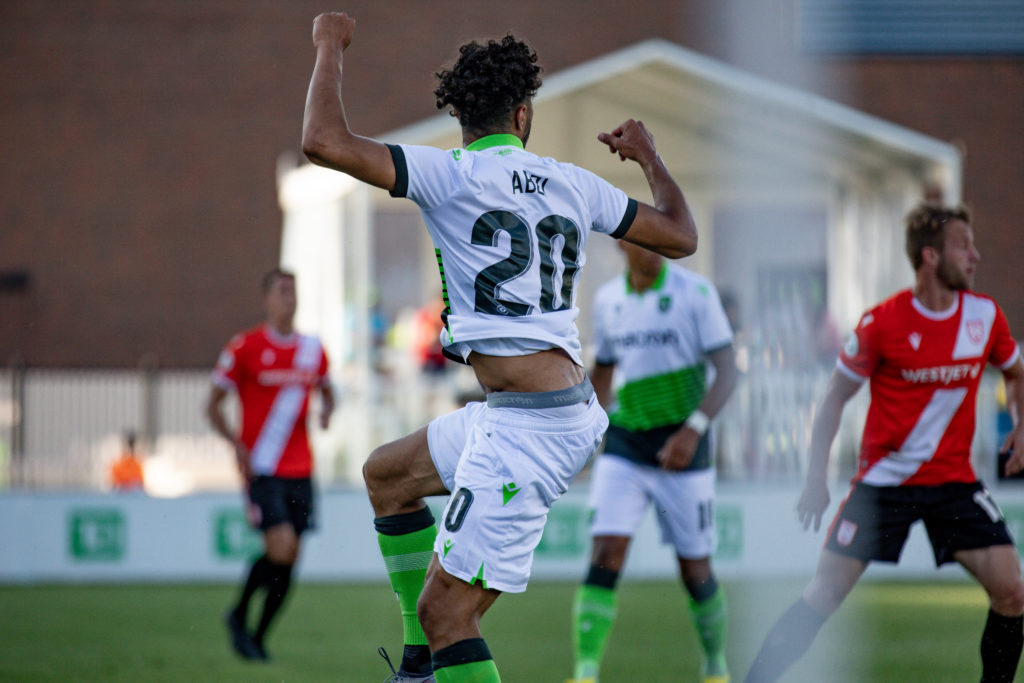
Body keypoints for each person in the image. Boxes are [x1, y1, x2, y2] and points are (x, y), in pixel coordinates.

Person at [301, 13, 698, 683]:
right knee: (387, 475)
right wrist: (648, 155)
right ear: (522, 113)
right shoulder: (571, 182)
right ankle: (418, 667)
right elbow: (681, 235)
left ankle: (426, 662)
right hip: (520, 410)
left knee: (447, 614)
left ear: (460, 114)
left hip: (534, 425)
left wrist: (328, 45)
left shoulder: (445, 172)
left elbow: (322, 141)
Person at [743, 203, 1024, 683]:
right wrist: (816, 480)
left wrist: (1021, 425)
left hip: (954, 485)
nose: (975, 255)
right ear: (931, 256)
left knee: (1013, 592)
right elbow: (833, 399)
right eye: (964, 245)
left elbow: (1016, 373)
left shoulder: (985, 316)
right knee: (825, 594)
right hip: (882, 486)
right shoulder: (883, 323)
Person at [568, 241, 738, 683]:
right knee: (606, 551)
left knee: (694, 569)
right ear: (623, 243)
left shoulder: (696, 293)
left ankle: (715, 664)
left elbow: (728, 370)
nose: (658, 247)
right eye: (646, 238)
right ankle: (585, 673)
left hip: (684, 448)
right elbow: (603, 371)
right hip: (625, 445)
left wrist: (693, 429)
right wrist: (587, 434)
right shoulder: (608, 300)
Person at [206, 268, 334, 662]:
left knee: (291, 556)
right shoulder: (245, 347)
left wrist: (327, 411)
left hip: (302, 467)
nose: (289, 298)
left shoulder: (313, 349)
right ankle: (239, 612)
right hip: (262, 466)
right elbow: (212, 404)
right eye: (281, 291)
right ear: (267, 300)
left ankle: (257, 635)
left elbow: (329, 392)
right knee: (281, 547)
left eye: (293, 291)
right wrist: (235, 445)